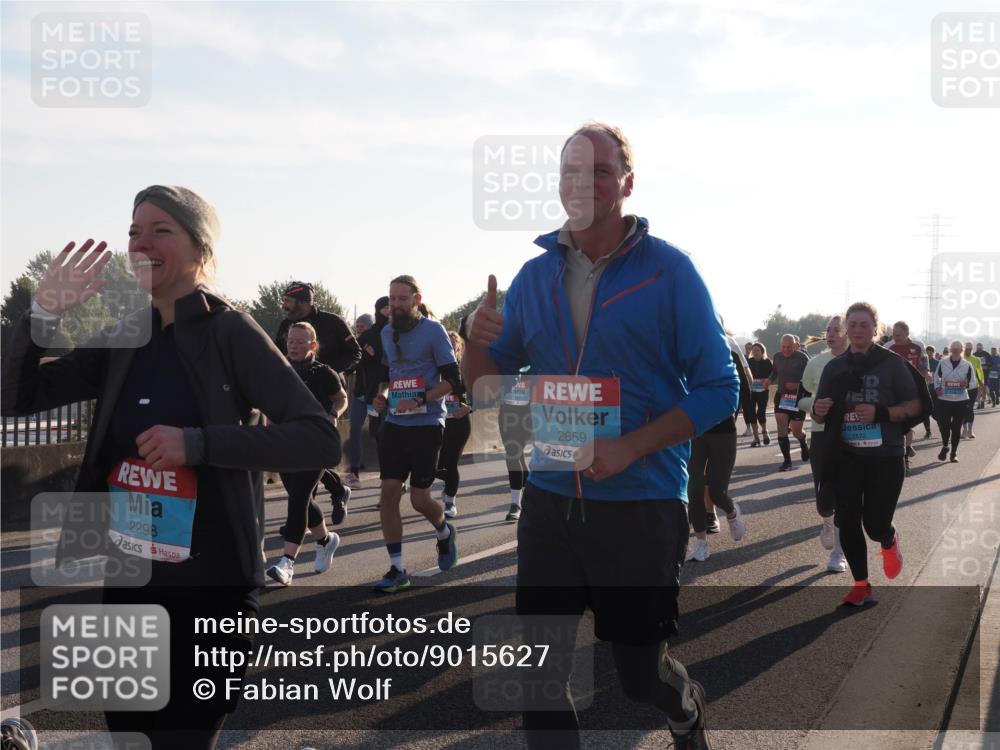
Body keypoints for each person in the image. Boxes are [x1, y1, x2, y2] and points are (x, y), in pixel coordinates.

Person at [1, 186, 340, 749]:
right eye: (134, 232)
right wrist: (39, 317)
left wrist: (198, 444)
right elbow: (17, 396)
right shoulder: (124, 334)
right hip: (130, 578)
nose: (141, 244)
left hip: (213, 586)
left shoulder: (229, 330)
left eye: (161, 231)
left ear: (200, 248)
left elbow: (318, 438)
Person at [463, 122, 737, 750]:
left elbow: (720, 387)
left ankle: (683, 703)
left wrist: (630, 446)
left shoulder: (670, 271)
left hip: (640, 500)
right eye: (570, 172)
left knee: (639, 679)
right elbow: (489, 391)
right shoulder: (533, 277)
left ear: (627, 183)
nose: (582, 184)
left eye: (599, 171)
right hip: (551, 499)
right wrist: (476, 347)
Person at [812, 302, 921, 607]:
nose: (858, 330)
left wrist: (880, 412)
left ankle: (888, 540)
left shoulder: (892, 364)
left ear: (876, 328)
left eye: (864, 324)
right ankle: (861, 584)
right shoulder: (835, 367)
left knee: (874, 524)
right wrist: (820, 410)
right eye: (853, 324)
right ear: (846, 328)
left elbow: (915, 406)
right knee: (847, 520)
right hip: (845, 455)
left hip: (885, 455)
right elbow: (822, 412)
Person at [371, 276, 460, 593]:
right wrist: (381, 396)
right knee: (388, 495)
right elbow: (386, 375)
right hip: (395, 423)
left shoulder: (434, 331)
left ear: (416, 299)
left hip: (427, 423)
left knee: (420, 499)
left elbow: (453, 380)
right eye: (391, 298)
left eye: (401, 299)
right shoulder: (386, 331)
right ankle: (397, 569)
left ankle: (443, 531)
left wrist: (421, 399)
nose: (394, 305)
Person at [266, 322, 347, 586]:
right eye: (291, 340)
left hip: (316, 442)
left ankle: (287, 563)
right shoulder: (279, 369)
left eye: (300, 341)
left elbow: (341, 398)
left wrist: (333, 415)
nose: (294, 345)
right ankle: (325, 540)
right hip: (286, 442)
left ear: (312, 345)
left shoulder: (324, 372)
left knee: (299, 497)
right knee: (300, 499)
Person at [275, 281, 361, 522]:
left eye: (288, 301)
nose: (284, 305)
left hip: (326, 394)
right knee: (303, 457)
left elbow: (356, 353)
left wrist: (329, 372)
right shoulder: (286, 326)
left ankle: (300, 517)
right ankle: (333, 494)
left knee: (309, 456)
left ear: (303, 302)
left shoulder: (332, 322)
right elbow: (275, 356)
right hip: (294, 398)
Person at [685, 345, 750, 561]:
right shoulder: (686, 354)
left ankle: (732, 513)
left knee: (716, 491)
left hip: (723, 431)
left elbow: (740, 390)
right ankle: (701, 542)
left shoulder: (727, 355)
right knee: (694, 486)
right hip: (695, 430)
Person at [798, 316, 849, 573]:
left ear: (848, 333)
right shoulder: (816, 363)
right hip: (821, 433)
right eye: (828, 329)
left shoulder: (860, 361)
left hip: (853, 435)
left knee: (846, 496)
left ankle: (839, 553)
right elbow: (801, 398)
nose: (830, 333)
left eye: (835, 329)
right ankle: (827, 521)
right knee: (824, 499)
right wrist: (815, 406)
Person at [883, 321, 930, 472]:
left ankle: (906, 453)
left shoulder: (918, 346)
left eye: (898, 335)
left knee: (907, 424)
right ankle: (904, 453)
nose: (895, 337)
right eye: (893, 334)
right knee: (899, 423)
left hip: (913, 391)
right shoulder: (888, 347)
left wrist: (925, 378)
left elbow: (924, 366)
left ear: (907, 334)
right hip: (894, 391)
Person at [435, 331, 473, 517]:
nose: (449, 348)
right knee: (434, 464)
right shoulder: (434, 369)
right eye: (446, 344)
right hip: (437, 421)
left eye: (453, 345)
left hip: (458, 421)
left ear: (459, 348)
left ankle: (450, 501)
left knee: (450, 463)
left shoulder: (465, 369)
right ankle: (448, 483)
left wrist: (470, 407)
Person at [344, 313, 376, 488]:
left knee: (379, 433)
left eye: (362, 327)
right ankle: (354, 472)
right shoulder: (356, 346)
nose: (359, 330)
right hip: (359, 394)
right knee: (355, 430)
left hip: (376, 393)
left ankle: (391, 473)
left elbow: (373, 358)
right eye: (357, 327)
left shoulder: (377, 341)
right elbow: (353, 363)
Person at [772, 334, 810, 471]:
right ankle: (787, 461)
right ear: (780, 345)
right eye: (783, 347)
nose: (786, 350)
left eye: (789, 347)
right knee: (781, 426)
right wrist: (769, 381)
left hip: (798, 397)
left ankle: (803, 442)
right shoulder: (777, 357)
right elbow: (774, 373)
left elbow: (810, 377)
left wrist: (797, 385)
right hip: (782, 396)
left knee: (796, 430)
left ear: (795, 345)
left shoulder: (802, 357)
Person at [933, 341, 973, 463]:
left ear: (962, 349)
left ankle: (954, 453)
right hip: (945, 399)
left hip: (961, 400)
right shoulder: (943, 362)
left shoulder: (967, 364)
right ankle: (945, 446)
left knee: (956, 428)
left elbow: (973, 383)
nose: (955, 350)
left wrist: (966, 384)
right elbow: (936, 377)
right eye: (953, 348)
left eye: (958, 348)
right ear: (950, 349)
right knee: (944, 426)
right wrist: (937, 388)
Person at [746, 342, 772, 447]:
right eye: (754, 350)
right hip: (752, 392)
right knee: (751, 414)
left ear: (762, 351)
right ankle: (756, 438)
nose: (755, 352)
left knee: (761, 413)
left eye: (757, 350)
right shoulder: (749, 362)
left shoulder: (767, 362)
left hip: (763, 391)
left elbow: (773, 376)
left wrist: (767, 381)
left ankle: (765, 431)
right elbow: (745, 374)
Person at [962, 342, 985, 438]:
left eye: (970, 349)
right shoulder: (961, 358)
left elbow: (979, 372)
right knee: (963, 409)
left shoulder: (976, 359)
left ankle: (970, 431)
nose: (968, 350)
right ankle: (964, 430)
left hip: (973, 387)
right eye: (967, 349)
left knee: (970, 408)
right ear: (964, 349)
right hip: (961, 387)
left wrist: (982, 384)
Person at [973, 343, 991, 408]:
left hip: (985, 373)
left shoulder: (986, 354)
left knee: (983, 388)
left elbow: (990, 363)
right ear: (976, 348)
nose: (979, 348)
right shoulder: (974, 355)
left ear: (982, 347)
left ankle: (982, 401)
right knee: (978, 388)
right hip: (976, 374)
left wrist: (987, 366)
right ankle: (979, 403)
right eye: (978, 347)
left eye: (980, 347)